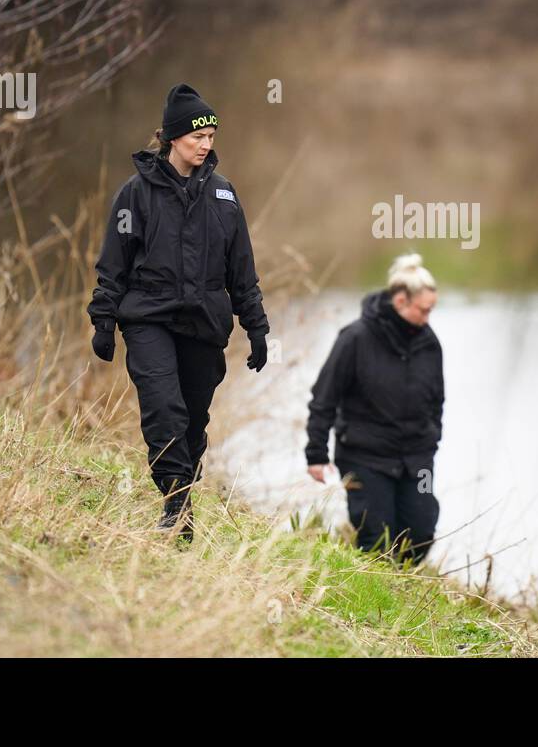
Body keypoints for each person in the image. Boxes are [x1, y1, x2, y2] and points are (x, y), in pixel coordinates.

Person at [87, 82, 269, 542]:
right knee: (163, 410)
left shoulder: (225, 198)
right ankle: (175, 504)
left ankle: (182, 495)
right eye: (197, 138)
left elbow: (242, 271)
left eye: (211, 138)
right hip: (148, 317)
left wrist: (257, 328)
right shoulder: (136, 195)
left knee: (191, 421)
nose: (206, 146)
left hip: (204, 324)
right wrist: (104, 320)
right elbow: (114, 263)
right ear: (172, 138)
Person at [305, 254, 444, 565]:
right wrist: (316, 453)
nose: (427, 318)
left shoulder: (429, 343)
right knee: (376, 538)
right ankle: (375, 596)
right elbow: (323, 398)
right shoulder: (355, 338)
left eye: (431, 310)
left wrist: (432, 438)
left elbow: (437, 400)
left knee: (421, 532)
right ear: (400, 300)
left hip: (417, 460)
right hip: (366, 457)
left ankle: (399, 586)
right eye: (423, 310)